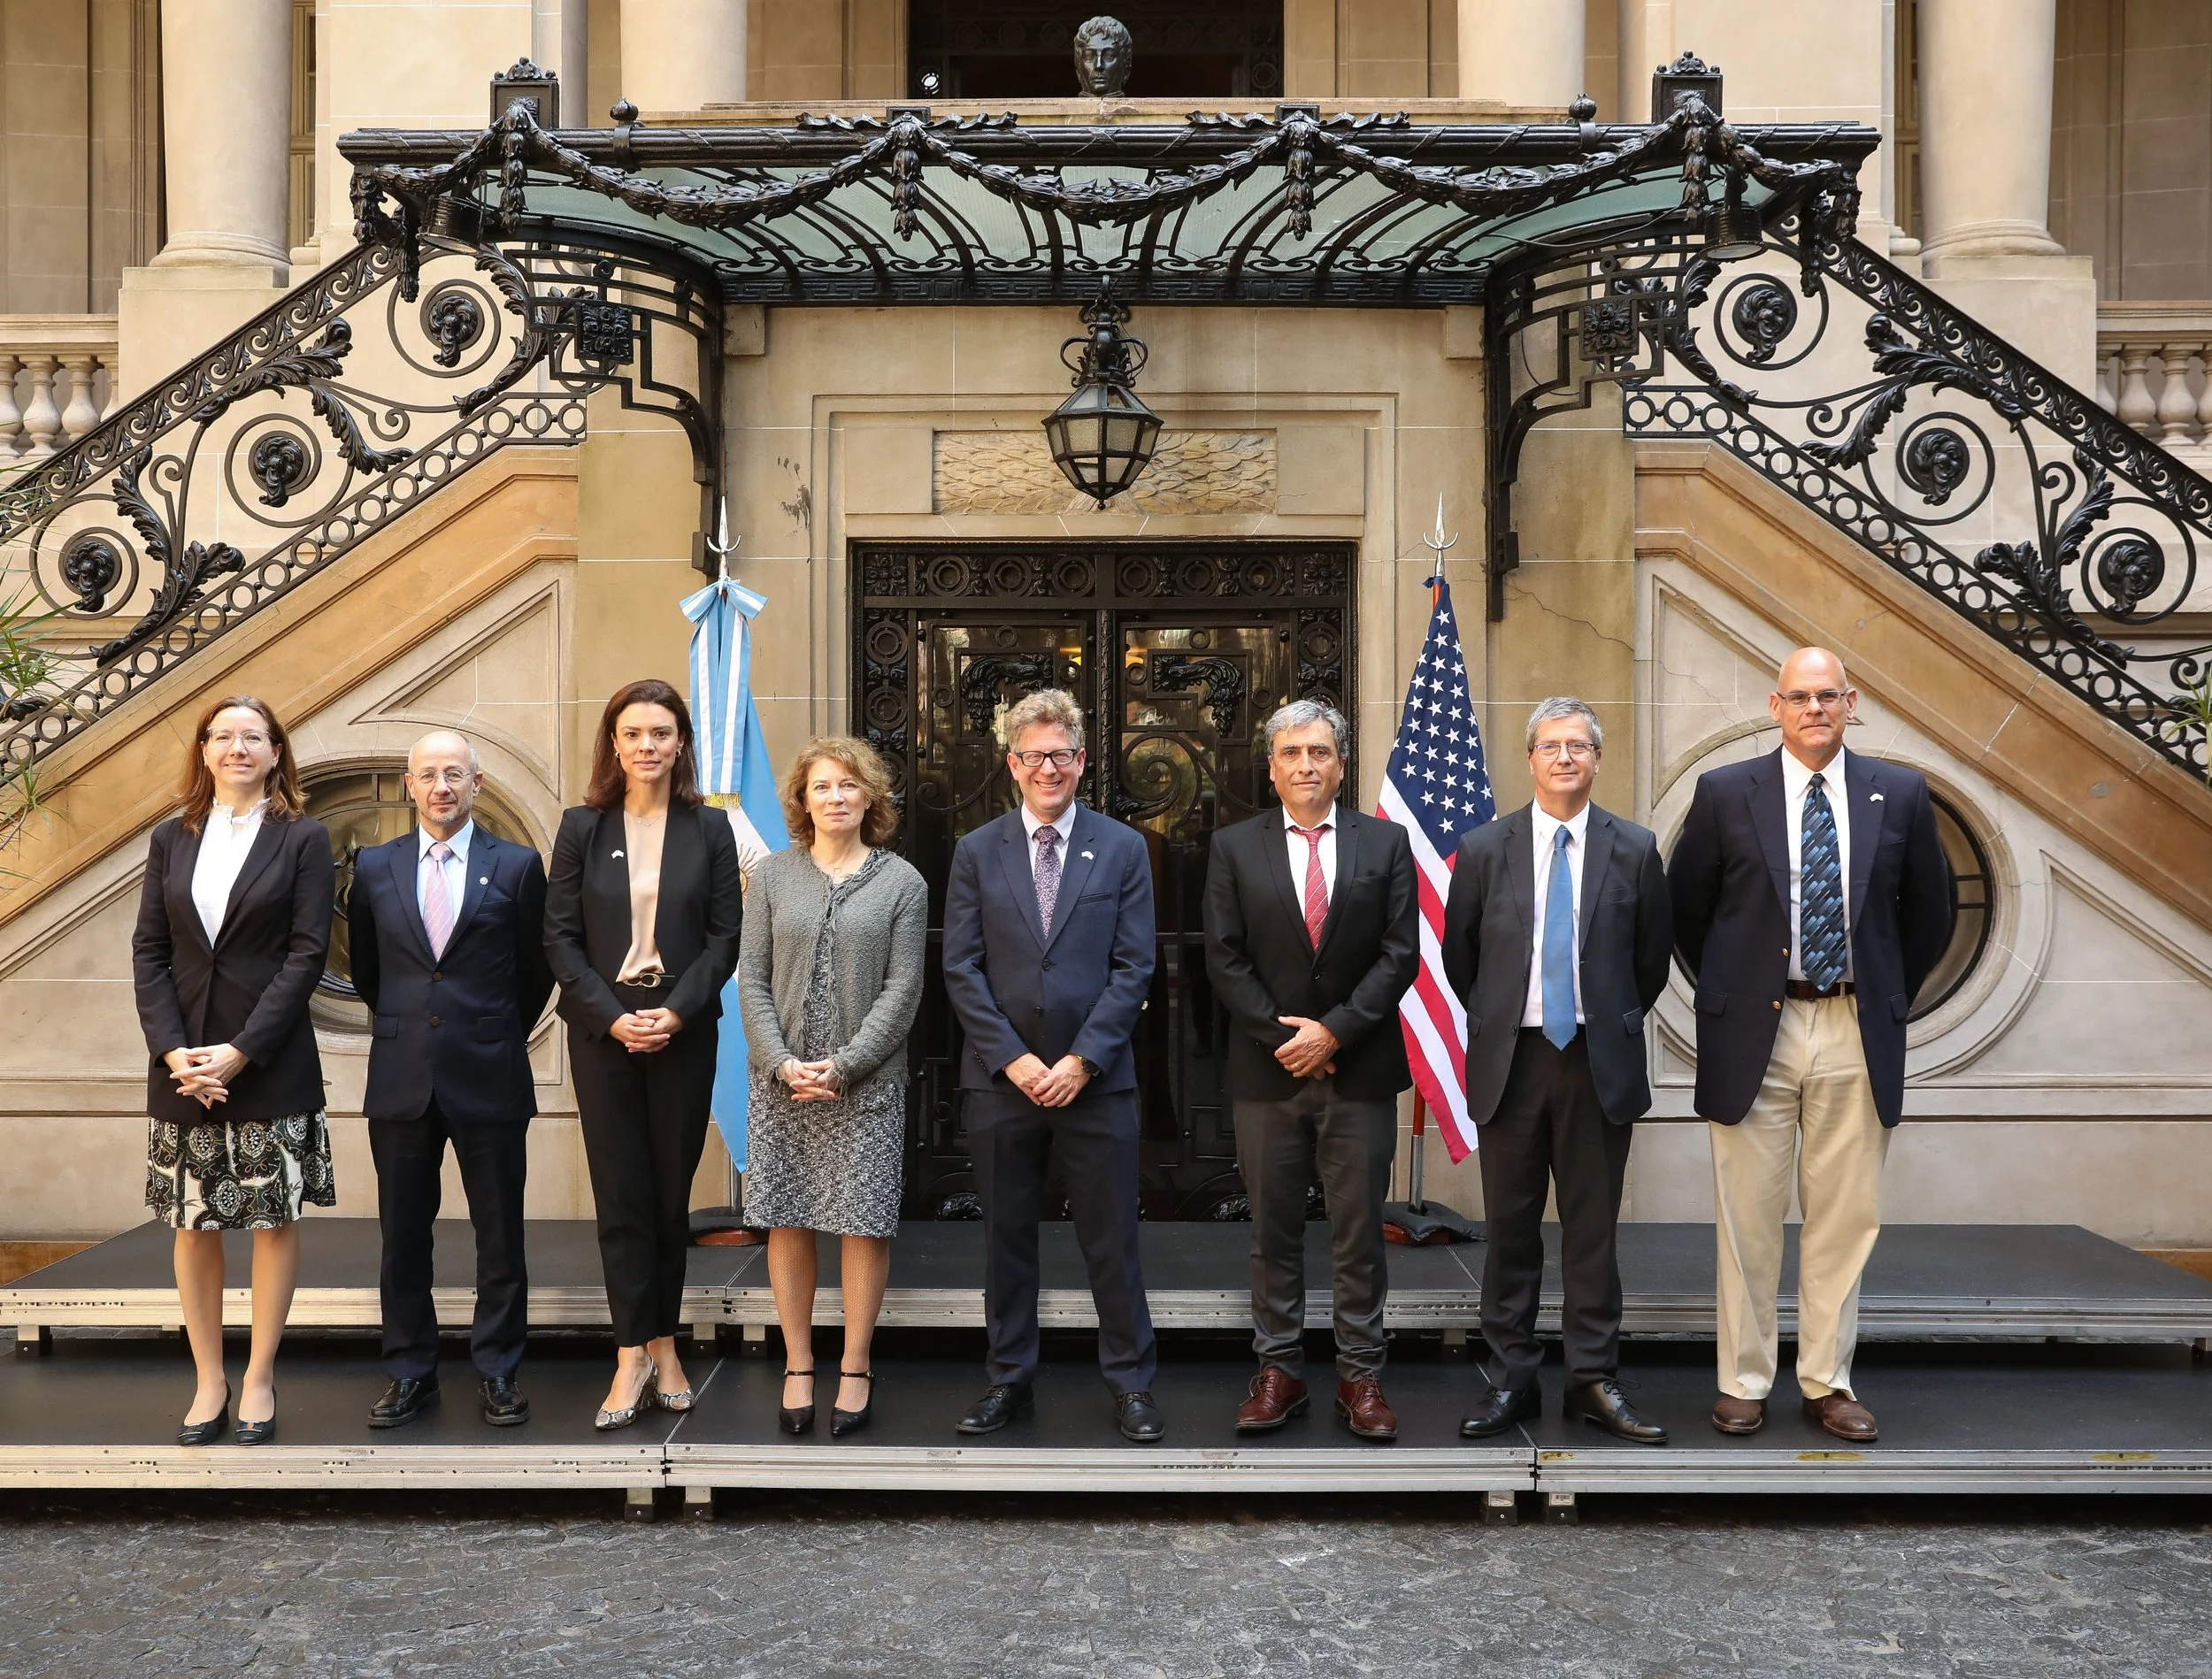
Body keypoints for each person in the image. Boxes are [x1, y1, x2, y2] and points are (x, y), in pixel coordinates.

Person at [1669, 648, 1952, 1443]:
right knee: (1747, 1217)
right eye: (1800, 696)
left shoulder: (1898, 793)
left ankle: (1829, 1381)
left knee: (1844, 1214)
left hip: (1855, 1025)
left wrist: (1886, 994)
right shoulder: (1726, 792)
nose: (1815, 708)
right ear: (1775, 705)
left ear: (1851, 703)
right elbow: (1689, 911)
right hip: (1757, 1027)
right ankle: (1744, 1381)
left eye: (1829, 696)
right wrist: (1730, 992)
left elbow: (1928, 914)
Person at [1442, 698, 1675, 1445]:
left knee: (1592, 1233)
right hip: (1513, 1062)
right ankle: (1512, 1378)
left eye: (1579, 745)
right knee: (1511, 1232)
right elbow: (1461, 959)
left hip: (1595, 1064)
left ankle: (1592, 1379)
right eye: (1551, 745)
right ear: (1531, 758)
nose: (1565, 757)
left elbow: (1650, 963)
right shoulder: (1483, 848)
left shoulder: (1634, 848)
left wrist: (1601, 1020)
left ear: (1598, 759)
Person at [941, 688, 1164, 1442]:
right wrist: (1014, 1061)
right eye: (1033, 756)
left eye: (1060, 755)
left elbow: (1135, 968)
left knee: (1112, 1241)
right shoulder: (977, 851)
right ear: (1012, 763)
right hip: (1003, 1086)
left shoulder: (1124, 847)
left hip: (1096, 1084)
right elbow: (961, 968)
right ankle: (1009, 1380)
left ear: (1082, 760)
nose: (1048, 768)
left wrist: (1079, 1060)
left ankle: (1131, 1385)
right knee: (1006, 1239)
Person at [1202, 699, 1419, 1441]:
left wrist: (1335, 1034)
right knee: (1275, 1231)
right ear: (1271, 767)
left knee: (1358, 1232)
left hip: (1359, 1073)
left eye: (1320, 753)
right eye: (1292, 753)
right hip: (1267, 1078)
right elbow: (1223, 958)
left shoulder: (1386, 844)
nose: (1306, 765)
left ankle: (1361, 1375)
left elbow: (1401, 955)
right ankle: (1280, 1370)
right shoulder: (1234, 847)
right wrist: (1284, 1039)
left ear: (1341, 763)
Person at [132, 694, 335, 1447]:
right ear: (205, 750)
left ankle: (258, 1377)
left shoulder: (304, 838)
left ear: (276, 752)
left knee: (271, 1220)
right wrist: (173, 1049)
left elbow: (307, 954)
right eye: (224, 736)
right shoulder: (171, 837)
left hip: (269, 1058)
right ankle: (209, 1377)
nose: (238, 748)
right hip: (183, 1062)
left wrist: (241, 1050)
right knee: (193, 1225)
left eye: (254, 736)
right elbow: (151, 950)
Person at [544, 678, 742, 1431]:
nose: (648, 746)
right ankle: (632, 1351)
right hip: (606, 1029)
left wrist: (678, 1012)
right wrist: (613, 1017)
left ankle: (667, 1344)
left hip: (684, 1026)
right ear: (615, 744)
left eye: (662, 733)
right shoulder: (582, 827)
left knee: (667, 1197)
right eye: (634, 734)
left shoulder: (710, 830)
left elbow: (726, 937)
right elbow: (558, 936)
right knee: (621, 1197)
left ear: (681, 743)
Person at [346, 729, 553, 1430]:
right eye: (429, 774)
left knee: (501, 1235)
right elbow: (369, 974)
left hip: (489, 1070)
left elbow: (536, 973)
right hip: (402, 1076)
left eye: (455, 775)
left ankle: (498, 1370)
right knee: (403, 1236)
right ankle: (410, 1372)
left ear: (477, 785)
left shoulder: (520, 867)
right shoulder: (373, 868)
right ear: (410, 785)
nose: (442, 786)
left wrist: (488, 1030)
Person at [740, 737, 928, 1438]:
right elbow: (751, 977)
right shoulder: (774, 877)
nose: (837, 797)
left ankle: (854, 1363)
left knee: (861, 1220)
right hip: (781, 1080)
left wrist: (844, 1065)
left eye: (850, 785)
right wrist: (781, 1061)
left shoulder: (903, 882)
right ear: (803, 799)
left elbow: (903, 988)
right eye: (823, 786)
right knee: (787, 1214)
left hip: (865, 1084)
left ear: (871, 798)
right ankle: (797, 1363)